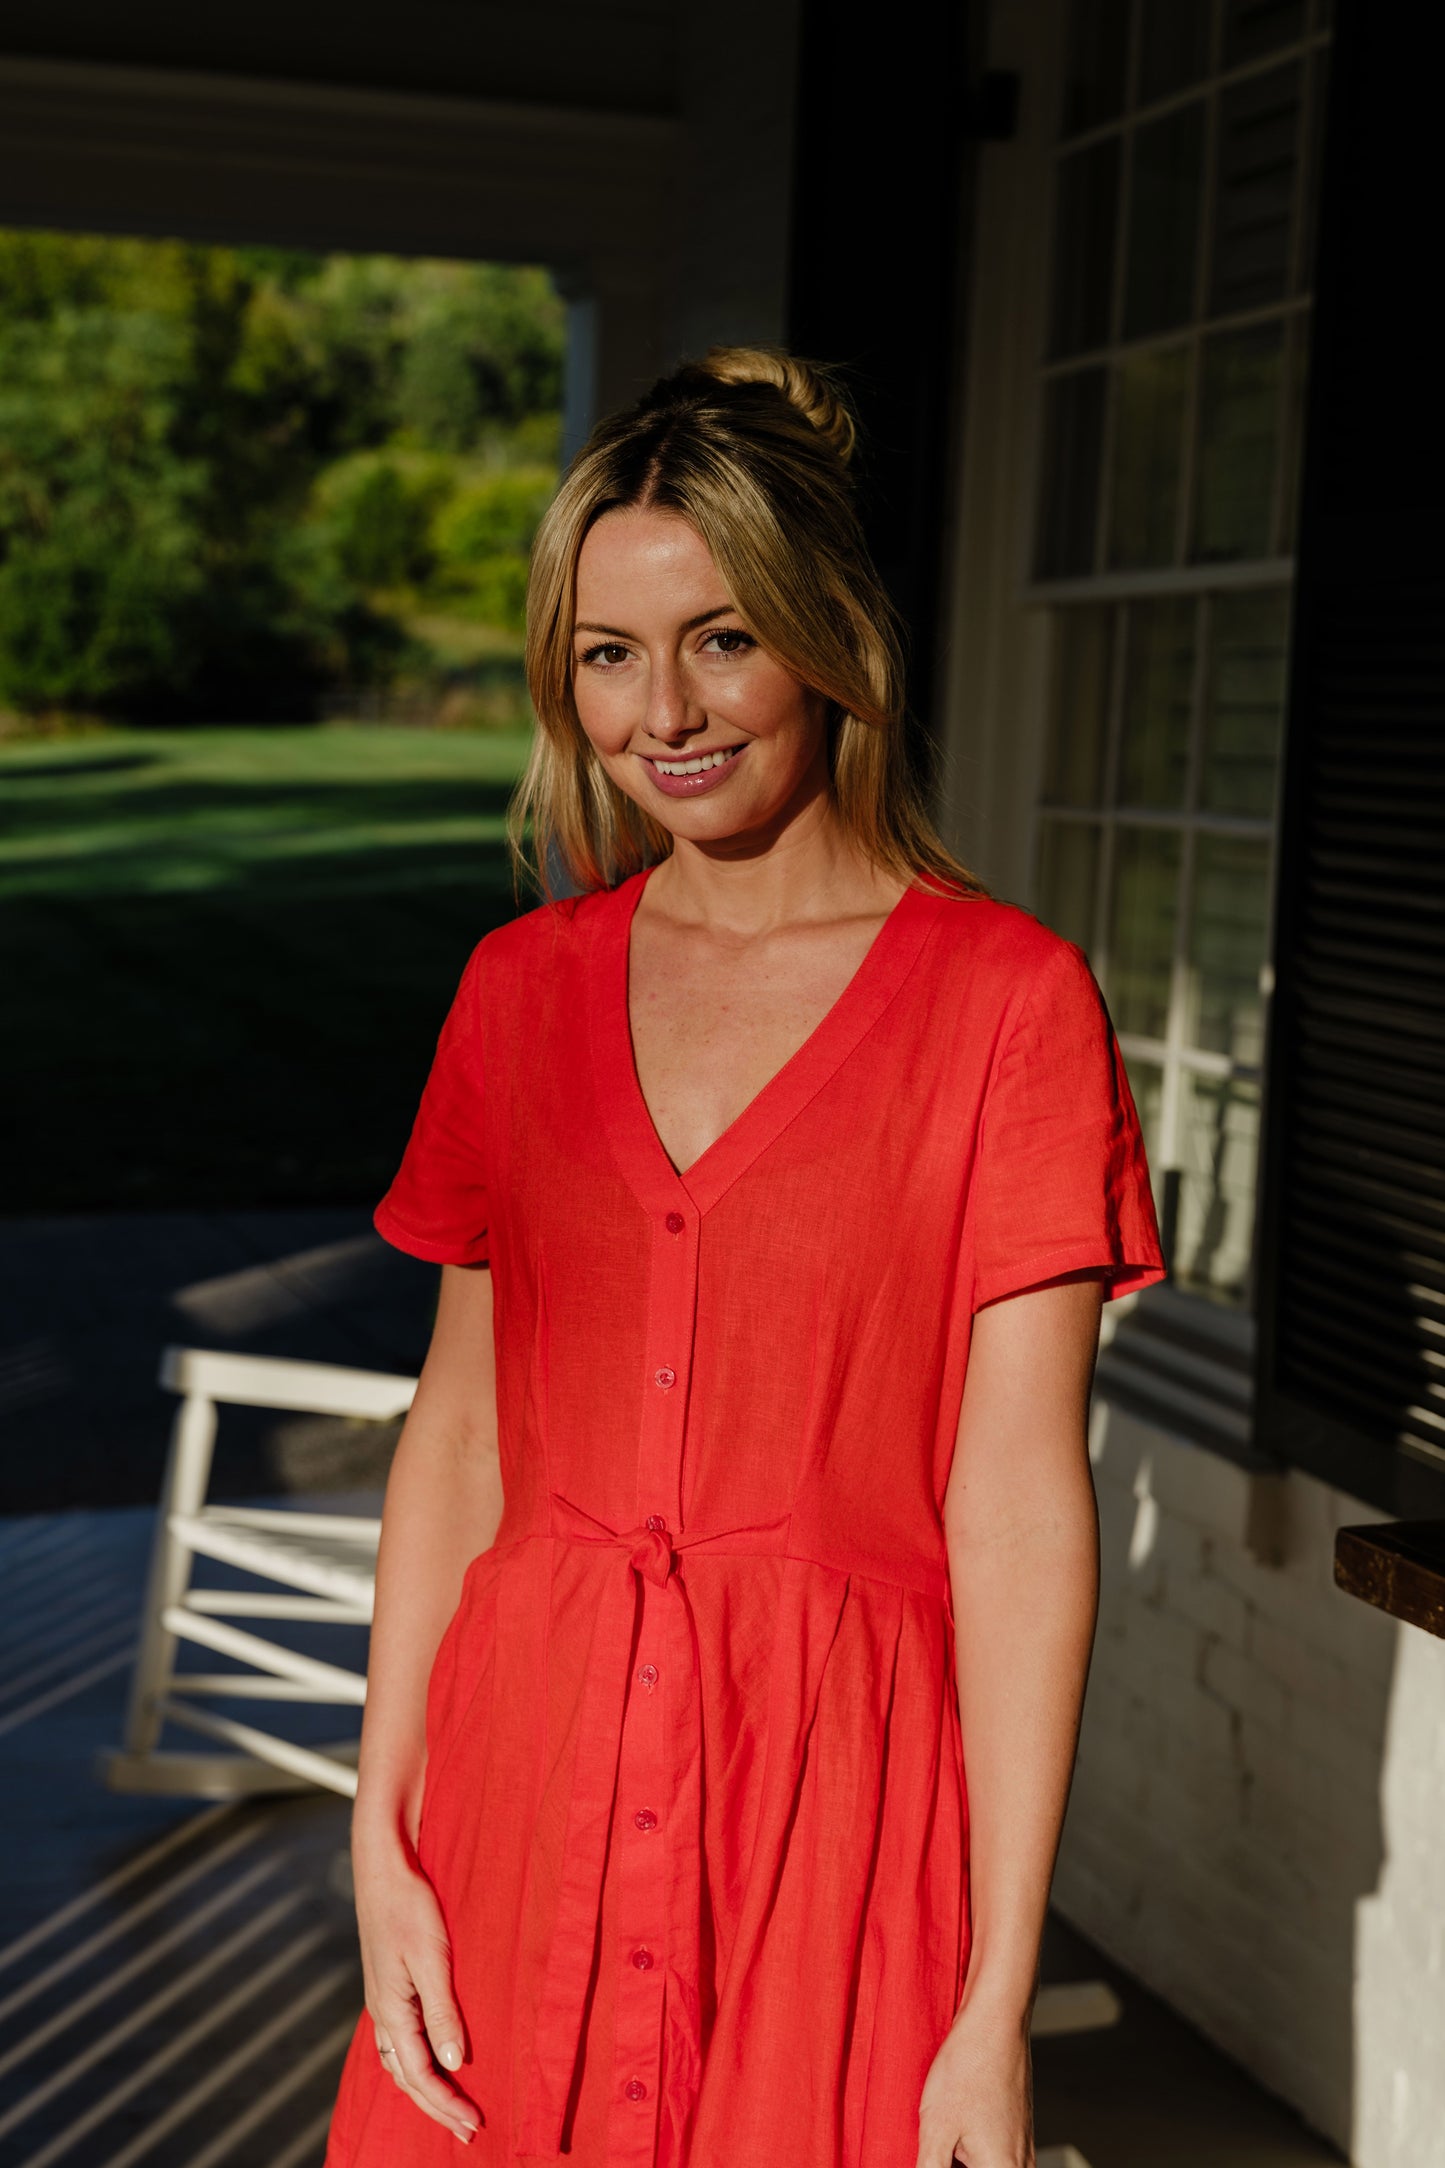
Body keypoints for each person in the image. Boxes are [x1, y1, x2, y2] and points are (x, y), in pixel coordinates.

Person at [324, 347, 1164, 2168]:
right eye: (607, 656)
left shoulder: (1004, 1004)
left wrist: (990, 2005)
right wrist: (378, 1837)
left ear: (825, 636)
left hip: (829, 1838)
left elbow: (1017, 1511)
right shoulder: (517, 995)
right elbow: (455, 1437)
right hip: (515, 1793)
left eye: (720, 638)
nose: (663, 714)